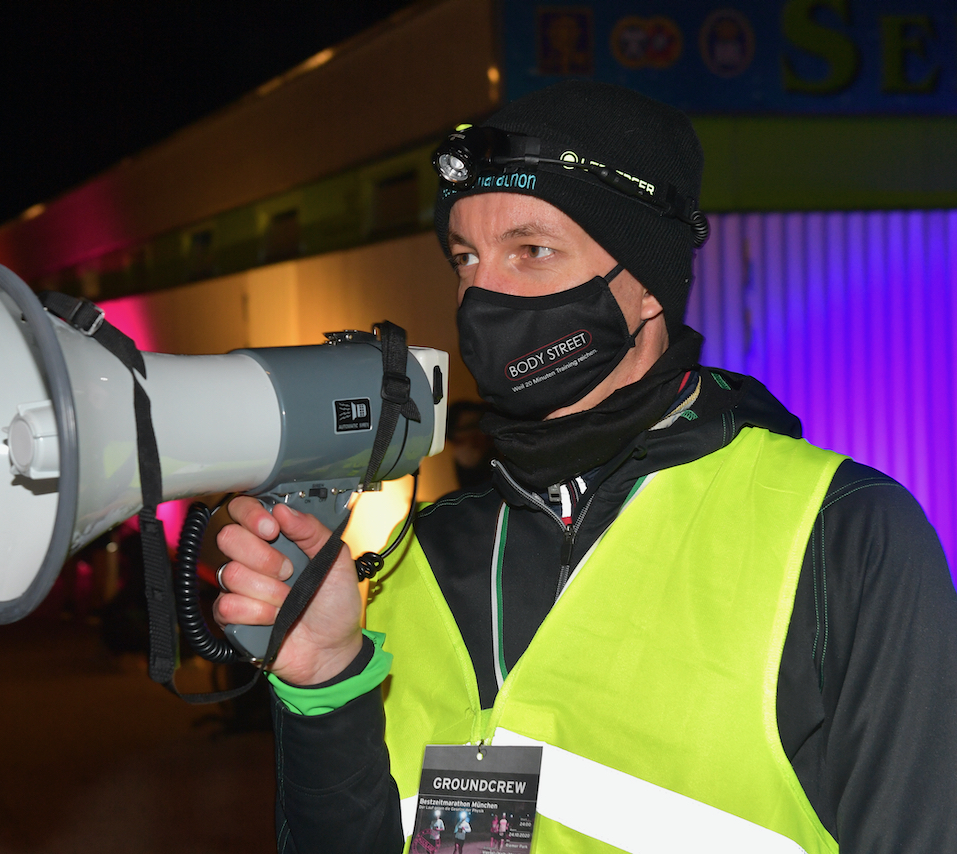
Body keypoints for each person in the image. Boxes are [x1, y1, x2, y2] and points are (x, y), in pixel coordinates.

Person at [212, 81, 957, 853]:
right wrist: (325, 682)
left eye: (531, 251)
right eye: (466, 256)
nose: (481, 294)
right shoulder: (425, 555)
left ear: (645, 288)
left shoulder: (842, 533)